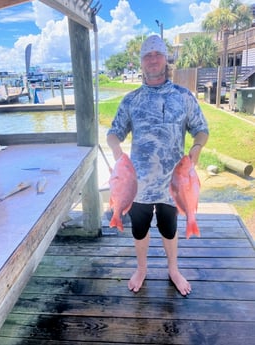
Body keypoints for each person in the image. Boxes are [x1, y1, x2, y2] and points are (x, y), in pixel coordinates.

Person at [107, 35, 209, 296]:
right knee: (139, 230)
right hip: (137, 183)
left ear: (166, 59)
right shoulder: (130, 100)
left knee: (170, 228)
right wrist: (118, 151)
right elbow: (113, 132)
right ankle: (141, 269)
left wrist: (196, 147)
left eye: (157, 54)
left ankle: (173, 269)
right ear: (141, 63)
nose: (152, 59)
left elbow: (201, 130)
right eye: (147, 55)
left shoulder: (184, 97)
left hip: (173, 184)